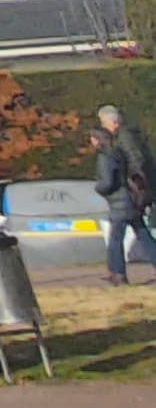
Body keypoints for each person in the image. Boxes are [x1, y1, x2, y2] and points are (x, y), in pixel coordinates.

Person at [91, 109, 156, 284]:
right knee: (142, 233)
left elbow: (135, 165)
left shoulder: (121, 141)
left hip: (128, 196)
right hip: (132, 196)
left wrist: (136, 187)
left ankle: (117, 273)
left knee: (116, 237)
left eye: (105, 123)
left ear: (113, 122)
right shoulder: (124, 139)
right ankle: (117, 272)